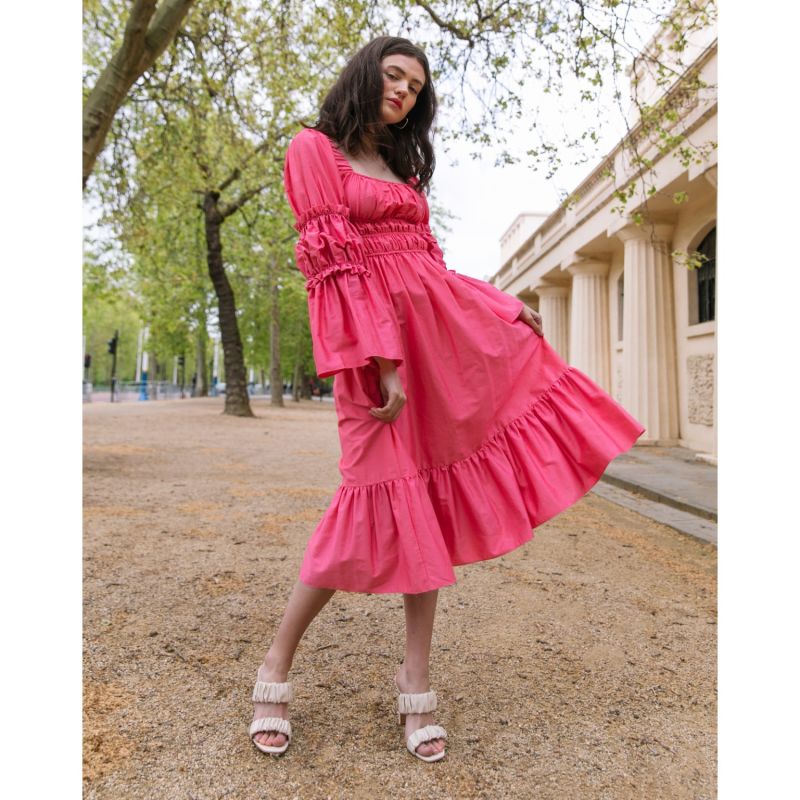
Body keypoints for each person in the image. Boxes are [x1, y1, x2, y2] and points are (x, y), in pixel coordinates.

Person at [249, 35, 644, 762]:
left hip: (438, 349)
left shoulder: (400, 170)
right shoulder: (314, 149)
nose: (403, 92)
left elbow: (428, 270)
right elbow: (333, 271)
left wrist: (496, 305)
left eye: (415, 87)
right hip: (377, 360)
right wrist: (382, 362)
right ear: (364, 74)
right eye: (393, 76)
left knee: (426, 509)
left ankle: (416, 680)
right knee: (363, 502)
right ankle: (275, 667)